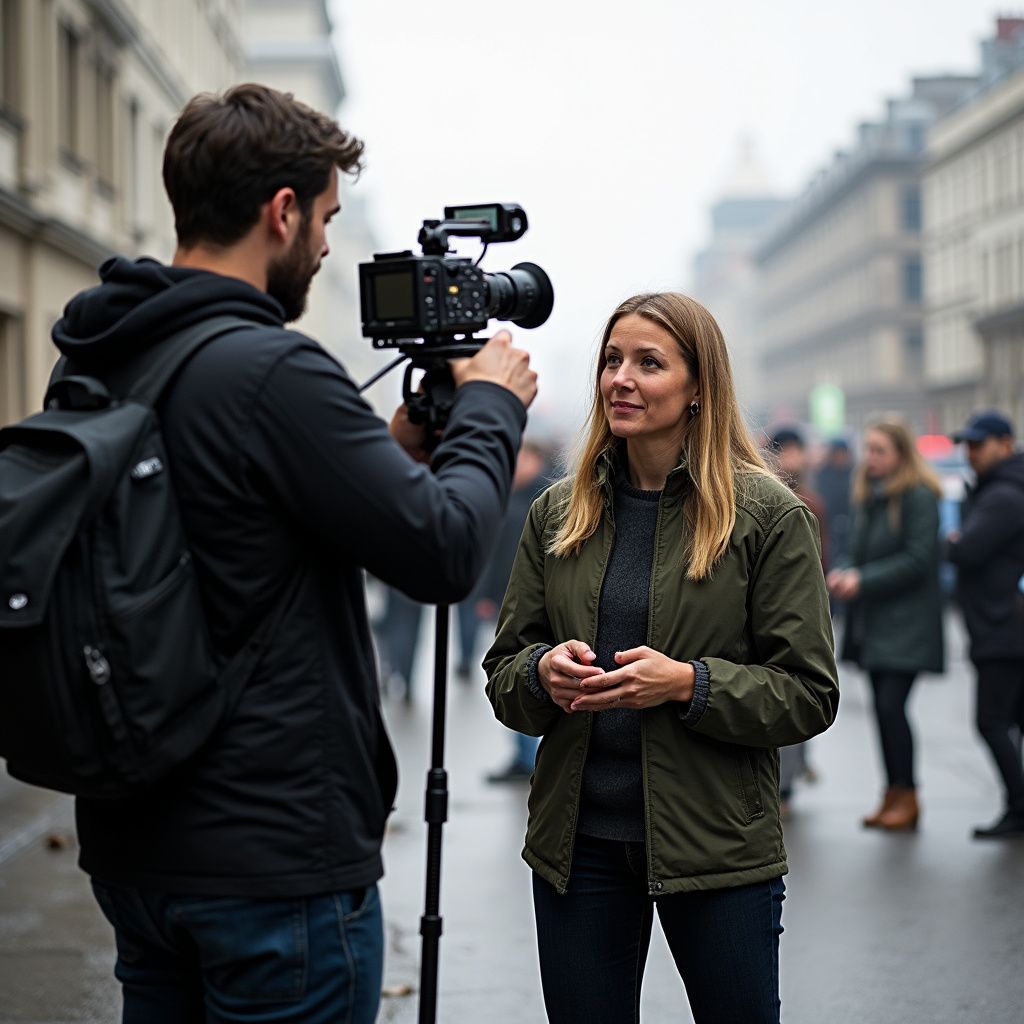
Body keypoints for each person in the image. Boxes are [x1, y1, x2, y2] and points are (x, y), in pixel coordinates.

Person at [52, 84, 537, 1024]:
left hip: (136, 849)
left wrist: (384, 456)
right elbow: (444, 552)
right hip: (273, 864)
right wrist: (490, 405)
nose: (322, 246)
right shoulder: (271, 369)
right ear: (282, 212)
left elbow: (222, 529)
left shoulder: (102, 353)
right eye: (325, 219)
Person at [484, 292, 839, 1024]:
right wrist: (542, 672)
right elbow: (505, 672)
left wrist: (688, 684)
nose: (621, 379)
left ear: (699, 385)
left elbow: (809, 692)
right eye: (612, 360)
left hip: (717, 845)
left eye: (649, 363)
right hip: (577, 845)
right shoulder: (559, 512)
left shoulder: (768, 515)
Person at [827, 417, 944, 832]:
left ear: (901, 454)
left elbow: (918, 559)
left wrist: (863, 579)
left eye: (880, 450)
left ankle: (907, 795)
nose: (871, 458)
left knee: (892, 707)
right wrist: (844, 569)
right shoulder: (871, 494)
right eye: (869, 449)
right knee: (883, 709)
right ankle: (892, 793)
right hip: (876, 624)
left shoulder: (918, 496)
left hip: (907, 624)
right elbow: (855, 550)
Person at [947, 410, 1024, 839]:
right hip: (1005, 625)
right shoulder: (1000, 488)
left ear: (1005, 444)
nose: (970, 452)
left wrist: (955, 541)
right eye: (967, 445)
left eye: (979, 444)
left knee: (991, 721)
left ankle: (1018, 807)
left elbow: (967, 550)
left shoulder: (1003, 495)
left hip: (1003, 628)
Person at [479, 441, 551, 782]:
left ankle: (527, 758)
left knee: (528, 666)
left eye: (520, 458)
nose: (513, 466)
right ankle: (523, 756)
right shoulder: (516, 496)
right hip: (511, 598)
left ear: (535, 459)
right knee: (515, 670)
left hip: (531, 602)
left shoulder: (544, 499)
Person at [768, 426, 828, 816]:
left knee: (796, 693)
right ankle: (787, 778)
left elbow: (820, 563)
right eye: (783, 451)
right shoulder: (761, 500)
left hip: (801, 611)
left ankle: (786, 786)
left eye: (795, 451)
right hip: (769, 612)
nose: (790, 458)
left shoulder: (810, 503)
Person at [816, 437, 853, 570]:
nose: (840, 457)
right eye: (837, 453)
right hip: (829, 524)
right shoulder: (823, 474)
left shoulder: (853, 474)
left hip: (849, 523)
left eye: (842, 453)